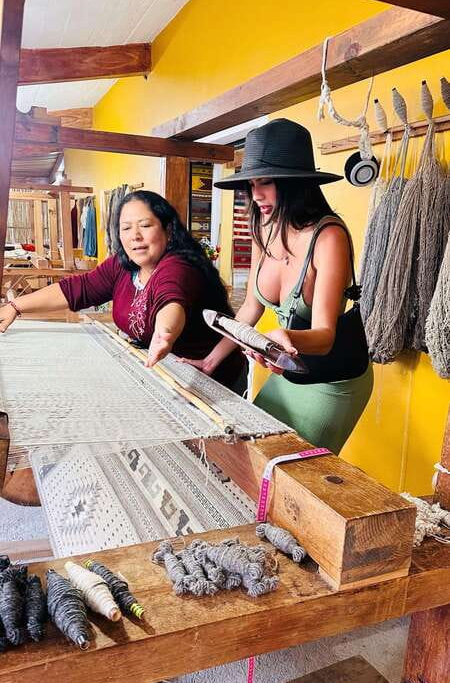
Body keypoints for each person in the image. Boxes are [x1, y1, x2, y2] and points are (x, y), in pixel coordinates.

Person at [182, 119, 373, 454]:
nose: (256, 196)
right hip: (292, 369)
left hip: (332, 380)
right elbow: (251, 308)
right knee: (251, 447)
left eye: (266, 182)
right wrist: (211, 361)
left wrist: (285, 338)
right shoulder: (265, 229)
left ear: (295, 184)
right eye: (251, 184)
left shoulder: (329, 237)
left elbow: (325, 336)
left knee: (289, 469)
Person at [0, 190, 246, 392]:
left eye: (145, 226)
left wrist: (165, 334)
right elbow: (79, 288)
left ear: (167, 230)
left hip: (212, 376)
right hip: (171, 373)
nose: (135, 236)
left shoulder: (179, 266)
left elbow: (171, 299)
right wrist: (15, 306)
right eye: (126, 228)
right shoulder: (122, 266)